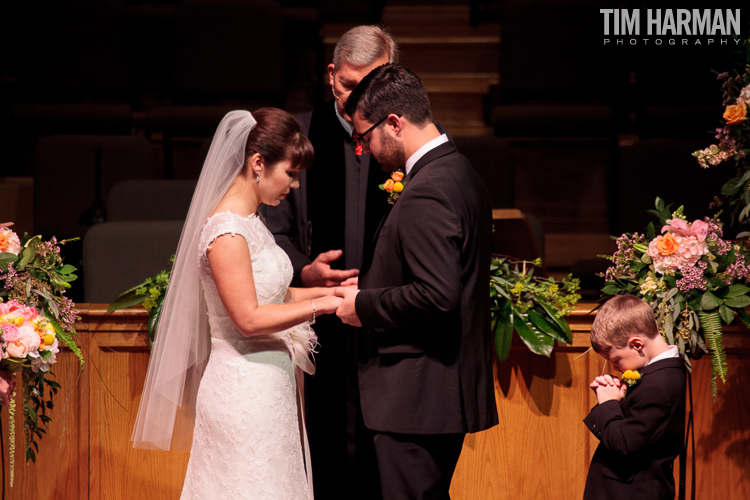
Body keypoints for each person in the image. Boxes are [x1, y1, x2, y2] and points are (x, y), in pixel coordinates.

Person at [132, 109, 343, 500]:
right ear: (258, 163)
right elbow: (248, 318)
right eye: (290, 173)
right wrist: (324, 307)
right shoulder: (226, 231)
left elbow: (275, 295)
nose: (294, 186)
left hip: (270, 389)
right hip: (243, 391)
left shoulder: (252, 222)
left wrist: (337, 292)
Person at [336, 64, 499, 500]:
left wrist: (363, 305)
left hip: (418, 396)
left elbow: (437, 293)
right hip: (434, 391)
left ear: (394, 123)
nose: (365, 148)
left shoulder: (429, 187)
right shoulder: (460, 171)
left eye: (365, 135)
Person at [262, 25, 399, 498]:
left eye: (370, 84)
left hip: (386, 322)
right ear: (330, 74)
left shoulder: (405, 141)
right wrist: (305, 270)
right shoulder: (299, 137)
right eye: (347, 84)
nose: (355, 98)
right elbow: (271, 231)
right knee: (327, 447)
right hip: (318, 320)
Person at [584, 294, 686, 500]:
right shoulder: (660, 374)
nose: (615, 367)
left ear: (637, 344)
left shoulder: (657, 385)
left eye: (615, 360)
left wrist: (609, 403)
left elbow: (625, 443)